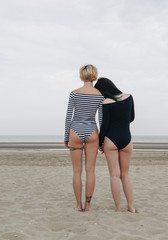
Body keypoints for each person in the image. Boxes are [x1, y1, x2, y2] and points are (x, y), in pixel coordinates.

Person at [64, 64, 104, 212]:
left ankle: (78, 205)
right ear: (94, 74)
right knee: (90, 170)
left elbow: (69, 116)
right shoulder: (100, 95)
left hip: (75, 131)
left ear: (82, 75)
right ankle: (88, 205)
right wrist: (102, 140)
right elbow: (101, 119)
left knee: (77, 171)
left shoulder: (74, 93)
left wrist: (66, 136)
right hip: (92, 131)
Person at [94, 77, 136, 213]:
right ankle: (131, 207)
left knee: (114, 175)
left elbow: (104, 126)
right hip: (126, 138)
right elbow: (132, 118)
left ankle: (118, 208)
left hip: (110, 140)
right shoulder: (129, 97)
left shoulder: (106, 102)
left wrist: (100, 143)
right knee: (125, 175)